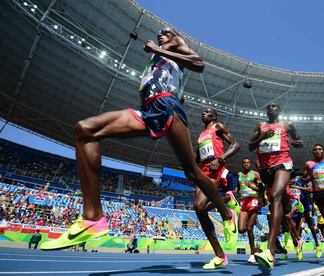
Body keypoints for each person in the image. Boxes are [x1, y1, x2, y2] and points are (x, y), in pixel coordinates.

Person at [40, 27, 237, 253]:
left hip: (167, 106)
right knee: (85, 130)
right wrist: (156, 53)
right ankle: (92, 218)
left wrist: (157, 49)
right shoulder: (158, 55)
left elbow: (199, 64)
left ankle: (226, 214)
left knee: (192, 172)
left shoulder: (176, 45)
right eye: (160, 33)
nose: (161, 34)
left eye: (166, 32)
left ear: (175, 37)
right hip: (147, 110)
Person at [249, 103, 303, 269]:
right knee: (280, 208)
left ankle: (270, 252)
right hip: (266, 168)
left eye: (275, 107)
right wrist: (263, 137)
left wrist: (294, 143)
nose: (271, 108)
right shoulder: (261, 125)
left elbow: (299, 141)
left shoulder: (287, 125)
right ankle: (296, 239)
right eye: (269, 107)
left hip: (283, 163)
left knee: (275, 196)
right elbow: (251, 146)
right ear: (266, 111)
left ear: (280, 110)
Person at [194, 107, 240, 270]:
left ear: (214, 115)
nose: (203, 113)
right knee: (198, 209)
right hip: (202, 171)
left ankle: (229, 215)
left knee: (200, 206)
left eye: (206, 112)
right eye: (202, 112)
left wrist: (220, 159)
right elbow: (199, 156)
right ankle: (220, 256)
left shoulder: (218, 127)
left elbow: (235, 145)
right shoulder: (200, 135)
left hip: (215, 169)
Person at [297, 144, 324, 260]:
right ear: (313, 152)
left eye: (320, 149)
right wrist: (302, 179)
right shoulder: (309, 164)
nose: (317, 151)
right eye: (315, 150)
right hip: (317, 194)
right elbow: (305, 177)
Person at [237, 158, 262, 264]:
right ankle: (256, 250)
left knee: (249, 227)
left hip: (253, 201)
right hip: (243, 202)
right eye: (244, 162)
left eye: (248, 162)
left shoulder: (255, 174)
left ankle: (252, 254)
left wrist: (251, 186)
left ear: (250, 164)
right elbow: (238, 188)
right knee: (241, 229)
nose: (246, 164)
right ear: (242, 164)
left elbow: (261, 189)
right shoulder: (239, 174)